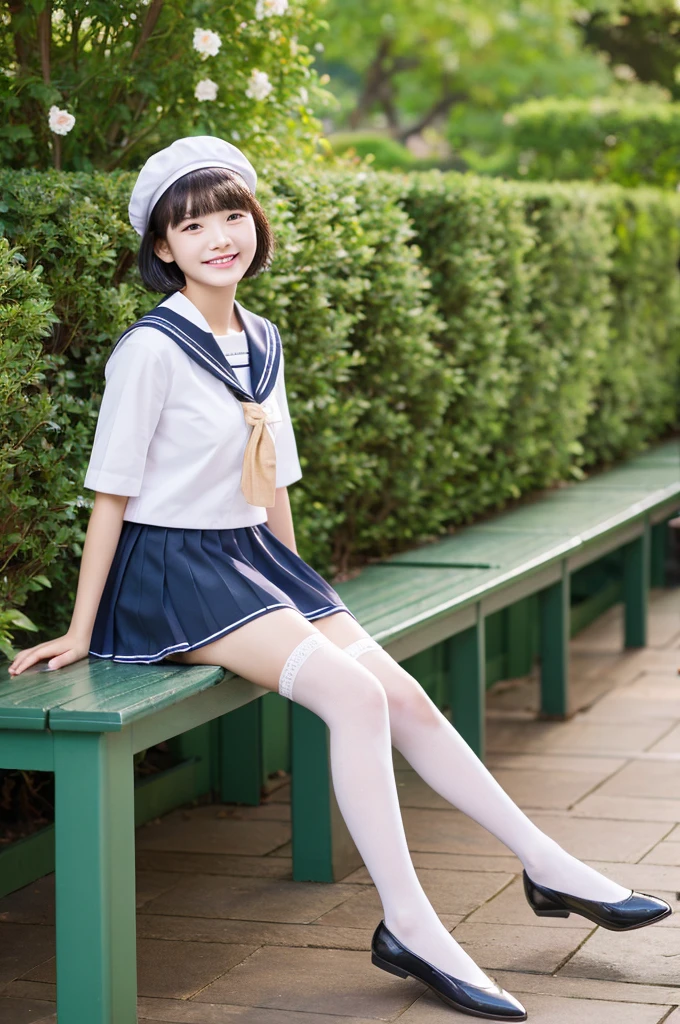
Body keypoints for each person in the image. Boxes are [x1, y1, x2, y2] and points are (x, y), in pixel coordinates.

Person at [7, 136, 671, 1022]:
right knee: (353, 701)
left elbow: (270, 480)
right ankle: (411, 927)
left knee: (403, 698)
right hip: (171, 573)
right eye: (193, 224)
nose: (219, 237)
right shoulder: (150, 350)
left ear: (256, 226)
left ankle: (546, 864)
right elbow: (111, 495)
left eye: (232, 215)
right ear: (162, 249)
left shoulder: (262, 339)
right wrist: (84, 630)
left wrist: (302, 585)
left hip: (253, 560)